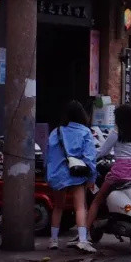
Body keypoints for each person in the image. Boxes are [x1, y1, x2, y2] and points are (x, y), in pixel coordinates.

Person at [86, 104, 131, 230]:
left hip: (119, 173)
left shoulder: (115, 133)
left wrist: (89, 157)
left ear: (118, 119)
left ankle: (83, 234)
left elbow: (102, 152)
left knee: (97, 200)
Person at [45, 100, 97, 252]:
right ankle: (82, 240)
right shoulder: (85, 132)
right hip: (77, 174)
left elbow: (50, 156)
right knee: (80, 207)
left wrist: (50, 175)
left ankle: (53, 240)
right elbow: (90, 157)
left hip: (58, 174)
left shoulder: (56, 132)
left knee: (58, 207)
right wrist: (91, 177)